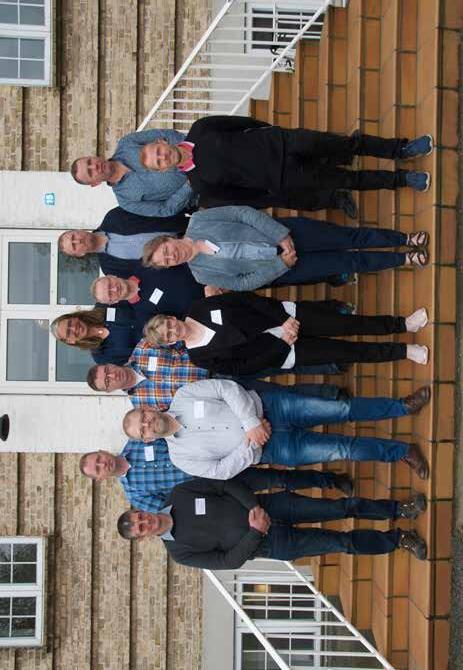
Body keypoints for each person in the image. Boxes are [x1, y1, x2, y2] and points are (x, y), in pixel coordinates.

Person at [122, 378, 431, 480]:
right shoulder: (180, 458)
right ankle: (402, 452)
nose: (147, 425)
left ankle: (402, 407)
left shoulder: (183, 395)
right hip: (273, 448)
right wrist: (252, 440)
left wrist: (252, 423)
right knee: (342, 448)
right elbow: (221, 471)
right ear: (146, 440)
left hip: (272, 407)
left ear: (147, 409)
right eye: (142, 431)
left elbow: (225, 388)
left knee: (342, 409)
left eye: (142, 418)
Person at [139, 116, 433, 214]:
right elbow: (244, 197)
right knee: (347, 180)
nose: (163, 157)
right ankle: (403, 180)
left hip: (283, 142)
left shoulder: (200, 128)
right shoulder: (200, 186)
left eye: (158, 151)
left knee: (346, 145)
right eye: (158, 162)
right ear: (162, 170)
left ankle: (400, 149)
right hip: (285, 177)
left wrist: (272, 132)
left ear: (163, 141)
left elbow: (241, 123)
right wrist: (273, 187)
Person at [116, 477, 428, 567]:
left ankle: (399, 508)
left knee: (340, 507)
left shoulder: (180, 493)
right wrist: (255, 532)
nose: (146, 522)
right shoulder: (180, 553)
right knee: (340, 542)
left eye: (140, 517)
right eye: (141, 528)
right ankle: (399, 540)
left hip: (273, 506)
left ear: (141, 510)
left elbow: (224, 484)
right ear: (143, 537)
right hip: (272, 544)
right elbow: (228, 561)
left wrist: (253, 506)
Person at [141, 205, 429, 291]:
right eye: (167, 261)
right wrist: (281, 264)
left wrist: (280, 235)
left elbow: (242, 213)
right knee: (349, 263)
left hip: (290, 233)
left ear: (168, 240)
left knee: (349, 238)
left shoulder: (200, 220)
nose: (171, 256)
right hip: (287, 267)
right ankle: (404, 259)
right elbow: (243, 284)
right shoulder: (201, 275)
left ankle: (404, 239)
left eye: (166, 251)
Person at [142, 293, 430, 372]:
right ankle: (404, 351)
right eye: (168, 336)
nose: (172, 331)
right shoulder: (199, 358)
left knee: (351, 324)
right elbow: (245, 367)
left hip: (288, 316)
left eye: (168, 325)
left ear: (171, 318)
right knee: (349, 352)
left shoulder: (200, 306)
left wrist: (284, 319)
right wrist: (282, 344)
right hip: (286, 352)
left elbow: (247, 300)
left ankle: (403, 324)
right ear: (170, 343)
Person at [79, 445, 355, 513]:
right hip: (215, 488)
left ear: (102, 451)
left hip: (219, 458)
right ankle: (330, 485)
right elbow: (171, 508)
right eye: (98, 469)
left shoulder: (137, 442)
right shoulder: (135, 495)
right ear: (101, 478)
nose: (103, 464)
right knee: (276, 483)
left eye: (98, 459)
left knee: (277, 471)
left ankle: (330, 479)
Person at [86, 337, 347, 406]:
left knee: (277, 361)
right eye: (107, 382)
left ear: (110, 364)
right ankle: (329, 394)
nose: (112, 376)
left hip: (221, 363)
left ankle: (331, 364)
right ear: (109, 391)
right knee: (277, 394)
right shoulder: (141, 406)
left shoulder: (144, 347)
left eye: (107, 371)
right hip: (219, 395)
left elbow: (184, 341)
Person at [71, 129, 196, 217]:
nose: (94, 166)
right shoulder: (126, 201)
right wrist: (190, 184)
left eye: (90, 162)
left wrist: (188, 152)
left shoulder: (126, 143)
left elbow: (164, 135)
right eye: (90, 172)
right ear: (95, 183)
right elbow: (164, 209)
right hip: (199, 192)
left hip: (196, 154)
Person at [58, 206, 191, 277]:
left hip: (188, 226)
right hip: (185, 261)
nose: (78, 241)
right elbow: (148, 276)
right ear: (80, 254)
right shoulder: (110, 268)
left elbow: (152, 209)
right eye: (74, 246)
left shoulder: (113, 217)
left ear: (79, 230)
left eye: (74, 237)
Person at [90, 267, 204, 325]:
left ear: (112, 276)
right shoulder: (145, 316)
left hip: (208, 275)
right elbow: (182, 322)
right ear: (113, 302)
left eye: (110, 284)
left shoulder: (146, 265)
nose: (114, 289)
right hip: (208, 305)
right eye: (110, 293)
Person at [50, 306, 143, 365]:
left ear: (74, 317)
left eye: (70, 323)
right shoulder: (101, 357)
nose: (74, 328)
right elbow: (135, 363)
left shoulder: (102, 306)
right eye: (68, 332)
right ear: (71, 341)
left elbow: (134, 303)